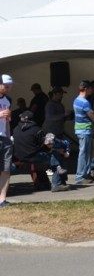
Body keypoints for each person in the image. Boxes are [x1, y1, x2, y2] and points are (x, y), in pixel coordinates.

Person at [13, 112, 70, 192]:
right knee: (55, 155)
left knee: (41, 158)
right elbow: (46, 146)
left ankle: (43, 184)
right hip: (33, 156)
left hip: (19, 156)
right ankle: (57, 184)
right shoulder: (36, 130)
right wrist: (57, 150)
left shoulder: (15, 129)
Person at [72, 80, 94, 184]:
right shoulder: (85, 102)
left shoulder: (76, 100)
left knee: (85, 153)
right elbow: (91, 115)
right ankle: (80, 177)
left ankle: (85, 174)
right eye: (90, 88)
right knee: (84, 153)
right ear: (86, 89)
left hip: (80, 129)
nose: (92, 90)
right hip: (85, 130)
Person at [0, 74, 15, 207]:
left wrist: (9, 137)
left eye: (10, 86)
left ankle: (2, 199)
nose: (8, 88)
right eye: (6, 86)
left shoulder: (8, 99)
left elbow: (7, 121)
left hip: (5, 138)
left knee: (6, 168)